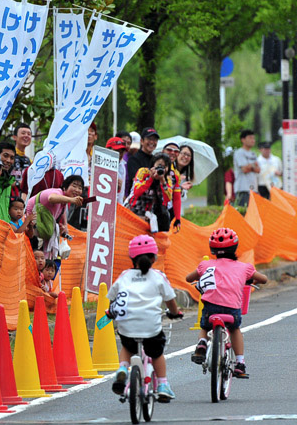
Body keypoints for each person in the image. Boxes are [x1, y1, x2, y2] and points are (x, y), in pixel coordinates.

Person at [108, 234, 183, 401]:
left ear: (131, 257)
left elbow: (113, 297)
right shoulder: (158, 276)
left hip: (127, 325)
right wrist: (175, 312)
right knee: (156, 354)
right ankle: (163, 384)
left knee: (128, 347)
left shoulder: (124, 275)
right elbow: (170, 300)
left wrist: (110, 311)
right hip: (150, 327)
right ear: (154, 257)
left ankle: (122, 370)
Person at [185, 228, 268, 378]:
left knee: (205, 325)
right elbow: (264, 279)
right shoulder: (245, 267)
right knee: (235, 329)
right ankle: (240, 363)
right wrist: (248, 279)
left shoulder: (205, 265)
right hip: (232, 310)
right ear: (235, 247)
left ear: (212, 249)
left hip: (211, 308)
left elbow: (188, 278)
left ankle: (202, 343)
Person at [26, 175, 84, 259]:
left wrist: (64, 227)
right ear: (65, 187)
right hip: (32, 234)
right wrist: (72, 200)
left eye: (80, 188)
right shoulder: (57, 192)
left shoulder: (63, 203)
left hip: (40, 235)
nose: (77, 190)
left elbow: (62, 218)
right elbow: (51, 198)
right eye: (74, 186)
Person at [125, 153, 181, 233]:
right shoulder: (143, 172)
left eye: (164, 166)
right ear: (153, 164)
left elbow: (168, 199)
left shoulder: (167, 179)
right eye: (159, 165)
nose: (161, 169)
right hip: (133, 210)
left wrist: (162, 181)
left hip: (149, 215)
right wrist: (150, 178)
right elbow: (136, 192)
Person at [233, 129, 260, 207]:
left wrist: (250, 166)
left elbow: (258, 170)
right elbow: (244, 169)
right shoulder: (239, 153)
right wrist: (253, 166)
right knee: (244, 212)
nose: (253, 140)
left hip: (254, 188)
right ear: (243, 140)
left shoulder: (253, 154)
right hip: (242, 189)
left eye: (253, 138)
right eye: (250, 138)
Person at [105, 136, 128, 201]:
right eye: (116, 151)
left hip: (117, 205)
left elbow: (121, 193)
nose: (119, 155)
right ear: (107, 150)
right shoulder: (100, 166)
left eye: (121, 152)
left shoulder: (122, 165)